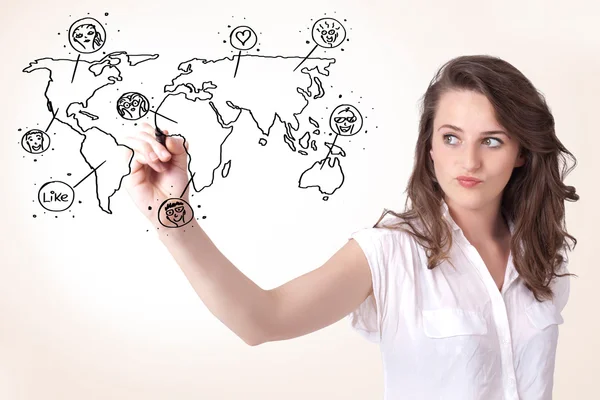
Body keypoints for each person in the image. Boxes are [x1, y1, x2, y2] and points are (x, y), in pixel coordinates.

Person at [122, 55, 579, 400]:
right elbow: (261, 319)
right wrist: (171, 215)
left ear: (521, 152)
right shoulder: (389, 252)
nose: (469, 161)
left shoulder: (542, 259)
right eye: (451, 137)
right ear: (430, 147)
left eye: (492, 141)